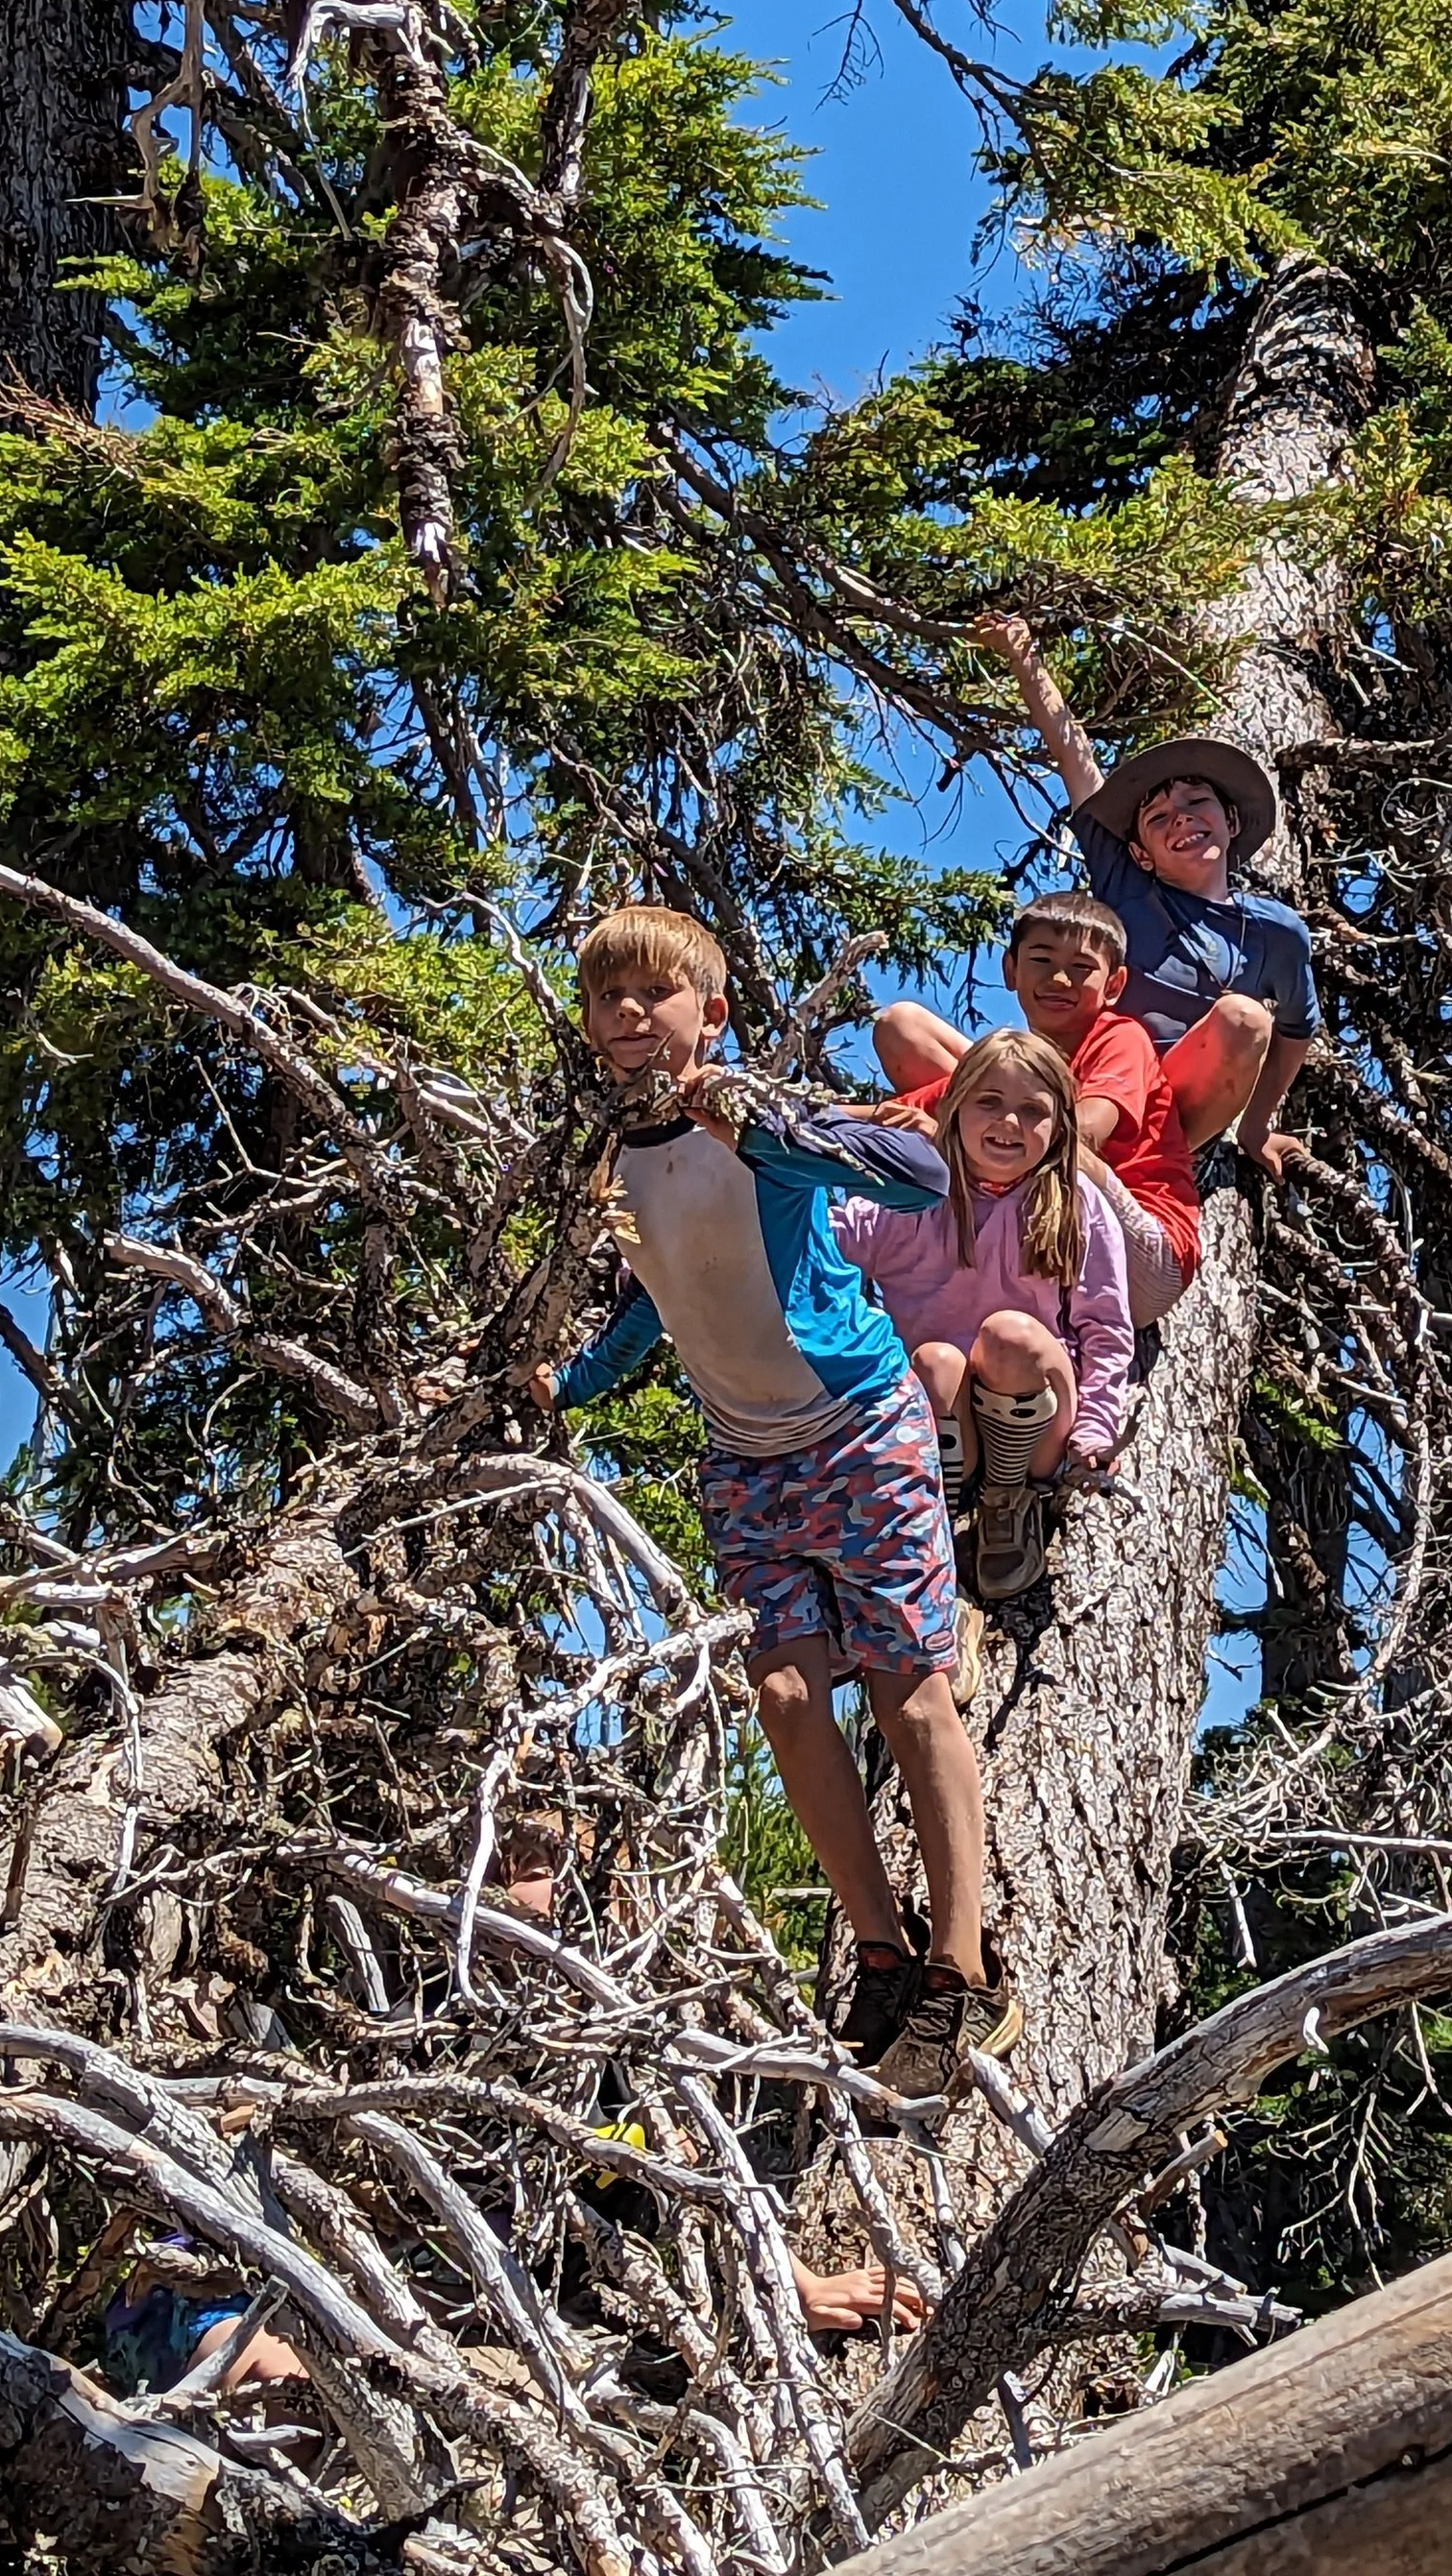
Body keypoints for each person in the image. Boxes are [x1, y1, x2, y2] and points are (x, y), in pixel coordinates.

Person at [530, 903, 1018, 2102]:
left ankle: (965, 1971)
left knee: (910, 1689)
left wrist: (765, 1112)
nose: (632, 1015)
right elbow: (663, 1290)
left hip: (859, 1429)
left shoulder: (751, 1118)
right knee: (789, 1694)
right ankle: (880, 1953)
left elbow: (914, 1174)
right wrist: (570, 1381)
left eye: (659, 994)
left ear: (713, 1010)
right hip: (745, 1456)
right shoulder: (609, 1150)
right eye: (609, 998)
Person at [965, 613, 1319, 1178]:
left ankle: (1110, 1154)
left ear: (1229, 821)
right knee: (909, 1030)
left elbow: (1296, 1028)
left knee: (1244, 1019)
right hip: (1083, 1089)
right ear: (1140, 854)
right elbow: (1075, 761)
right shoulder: (1129, 889)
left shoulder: (1276, 934)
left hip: (1169, 1109)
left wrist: (1256, 1131)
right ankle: (1001, 1140)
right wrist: (1023, 656)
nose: (1182, 820)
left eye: (1196, 803)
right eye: (1158, 818)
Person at [834, 1029, 1132, 1609]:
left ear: (1060, 1127)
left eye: (1033, 1111)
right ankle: (937, 1510)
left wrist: (1097, 1426)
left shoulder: (1074, 1202)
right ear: (952, 1107)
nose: (1009, 1124)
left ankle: (1009, 1504)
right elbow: (822, 1247)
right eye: (989, 1103)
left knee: (1008, 1335)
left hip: (1036, 1419)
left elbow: (1106, 1326)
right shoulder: (910, 1195)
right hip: (939, 1413)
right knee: (935, 1362)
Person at [871, 887, 1200, 1330]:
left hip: (1146, 1254)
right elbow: (883, 1119)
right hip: (1058, 1245)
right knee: (992, 1115)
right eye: (1042, 960)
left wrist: (948, 1136)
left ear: (1115, 985)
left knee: (1022, 1136)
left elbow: (1084, 1132)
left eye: (1081, 968)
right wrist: (794, 1114)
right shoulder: (1016, 1074)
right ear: (1011, 970)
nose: (1059, 980)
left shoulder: (1119, 1037)